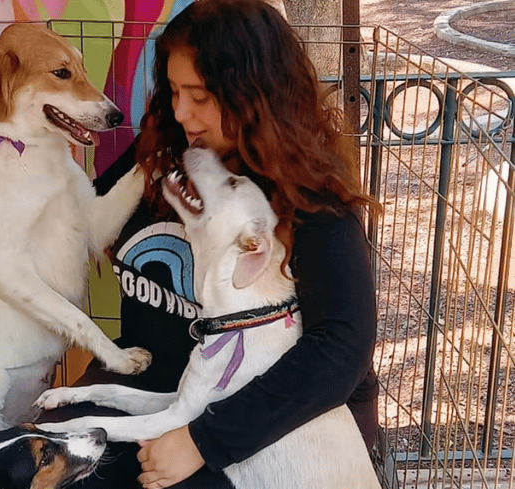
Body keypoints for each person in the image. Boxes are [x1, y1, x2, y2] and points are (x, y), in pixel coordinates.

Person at [36, 1, 382, 488]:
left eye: (199, 96)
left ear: (253, 95)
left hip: (272, 430)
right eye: (174, 91)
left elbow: (341, 350)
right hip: (161, 387)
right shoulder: (167, 152)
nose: (181, 112)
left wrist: (203, 440)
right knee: (41, 455)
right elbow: (84, 224)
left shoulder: (310, 197)